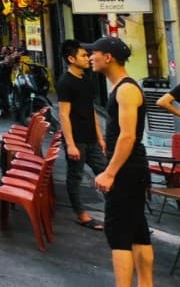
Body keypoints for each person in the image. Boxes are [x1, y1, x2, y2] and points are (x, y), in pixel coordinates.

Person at [84, 37, 153, 287]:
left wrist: (110, 173)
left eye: (95, 53)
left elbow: (128, 135)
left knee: (119, 234)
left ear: (108, 57)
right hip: (131, 168)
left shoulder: (125, 89)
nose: (90, 57)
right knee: (137, 231)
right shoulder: (121, 88)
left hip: (126, 169)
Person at [56, 39, 107, 231]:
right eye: (83, 55)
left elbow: (91, 109)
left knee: (104, 173)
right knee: (75, 176)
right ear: (71, 58)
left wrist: (100, 136)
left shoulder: (87, 78)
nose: (88, 58)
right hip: (76, 139)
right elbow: (63, 114)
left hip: (91, 138)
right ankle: (81, 214)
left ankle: (116, 214)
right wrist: (70, 144)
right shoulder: (65, 82)